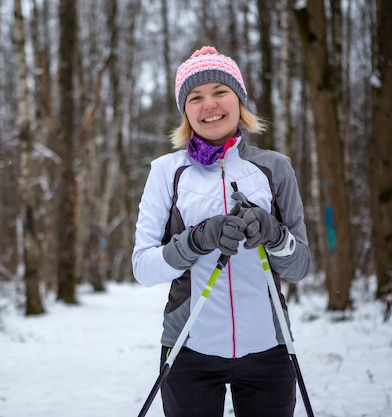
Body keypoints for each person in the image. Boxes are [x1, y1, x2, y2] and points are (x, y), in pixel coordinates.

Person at [132, 46, 312, 417]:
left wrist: (274, 234)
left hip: (270, 350)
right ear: (185, 111)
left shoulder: (275, 168)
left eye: (220, 92)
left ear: (239, 100)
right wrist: (197, 240)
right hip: (188, 349)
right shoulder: (167, 171)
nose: (208, 104)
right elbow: (143, 267)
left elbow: (299, 267)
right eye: (195, 97)